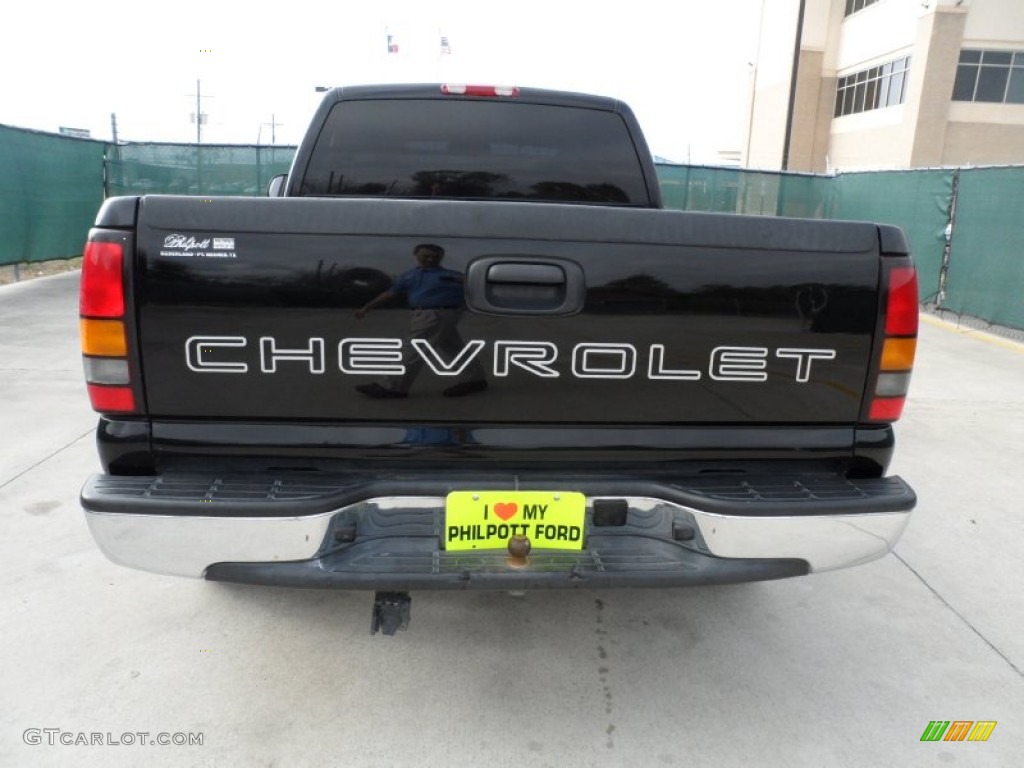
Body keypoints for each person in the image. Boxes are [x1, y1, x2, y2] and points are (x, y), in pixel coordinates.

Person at [354, 243, 488, 398]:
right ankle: (474, 379)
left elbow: (477, 289)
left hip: (438, 314)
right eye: (426, 256)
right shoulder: (408, 276)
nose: (431, 259)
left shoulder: (453, 276)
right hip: (423, 314)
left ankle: (392, 387)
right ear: (416, 255)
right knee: (452, 347)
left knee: (414, 348)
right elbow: (391, 293)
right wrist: (367, 307)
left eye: (436, 257)